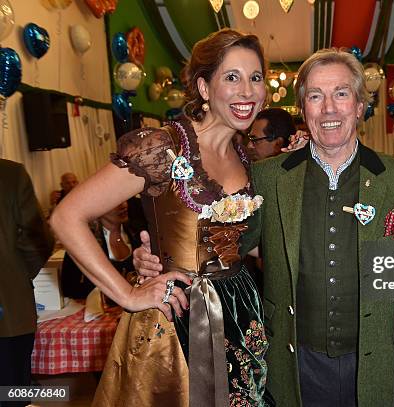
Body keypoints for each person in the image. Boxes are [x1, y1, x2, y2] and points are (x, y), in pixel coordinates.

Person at [136, 48, 394, 407]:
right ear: (303, 107)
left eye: (341, 94)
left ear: (359, 105)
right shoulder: (268, 177)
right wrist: (160, 260)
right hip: (294, 361)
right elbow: (228, 246)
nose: (329, 108)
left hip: (381, 360)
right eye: (316, 96)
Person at [50, 29, 271, 406]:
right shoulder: (163, 147)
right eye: (231, 77)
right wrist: (128, 294)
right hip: (176, 318)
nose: (247, 91)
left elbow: (242, 247)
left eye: (255, 78)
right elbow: (66, 216)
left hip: (239, 311)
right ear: (204, 87)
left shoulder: (246, 156)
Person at [0, 159, 54, 407]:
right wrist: (17, 278)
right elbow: (37, 239)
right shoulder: (9, 175)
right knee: (12, 395)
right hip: (8, 314)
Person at [61, 202, 141, 300]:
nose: (123, 205)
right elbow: (68, 288)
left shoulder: (138, 232)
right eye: (115, 201)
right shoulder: (81, 241)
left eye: (124, 199)